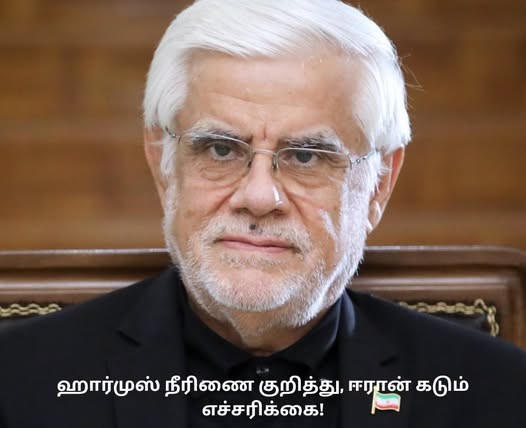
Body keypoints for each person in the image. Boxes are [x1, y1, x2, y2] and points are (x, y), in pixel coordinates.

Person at [1, 1, 525, 427]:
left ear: (379, 184)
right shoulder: (18, 384)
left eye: (306, 156)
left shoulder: (499, 395)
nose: (258, 197)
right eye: (220, 149)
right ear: (163, 165)